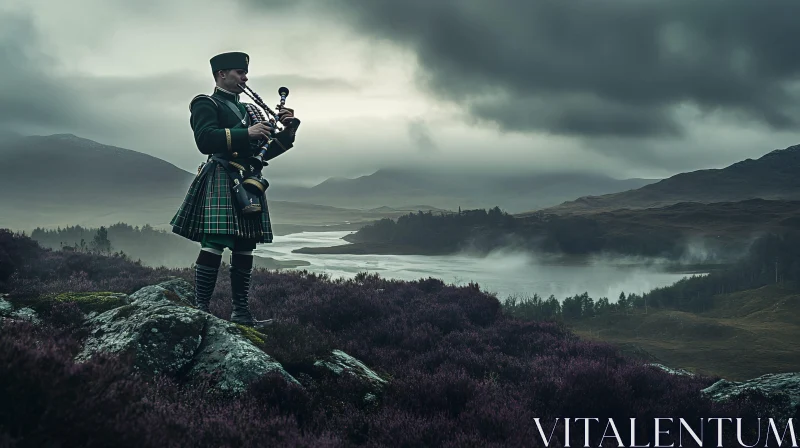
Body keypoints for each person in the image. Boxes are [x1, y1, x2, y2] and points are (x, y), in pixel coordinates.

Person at [170, 51, 298, 329]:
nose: (245, 77)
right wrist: (247, 133)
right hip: (220, 173)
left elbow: (264, 152)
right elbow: (205, 141)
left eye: (245, 72)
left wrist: (288, 131)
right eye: (240, 73)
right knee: (214, 240)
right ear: (221, 75)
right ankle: (201, 309)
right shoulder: (206, 103)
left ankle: (241, 314)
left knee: (245, 245)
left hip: (249, 178)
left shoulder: (251, 110)